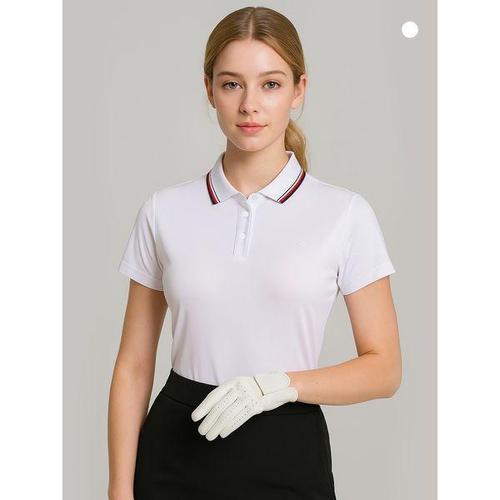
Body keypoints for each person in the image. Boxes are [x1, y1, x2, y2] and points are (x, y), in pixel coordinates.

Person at [107, 6, 401, 500]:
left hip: (288, 452)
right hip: (173, 457)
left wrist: (278, 385)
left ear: (298, 90)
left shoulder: (345, 214)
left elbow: (385, 368)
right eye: (231, 84)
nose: (249, 105)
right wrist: (119, 488)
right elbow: (134, 365)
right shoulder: (164, 211)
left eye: (270, 84)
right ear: (209, 90)